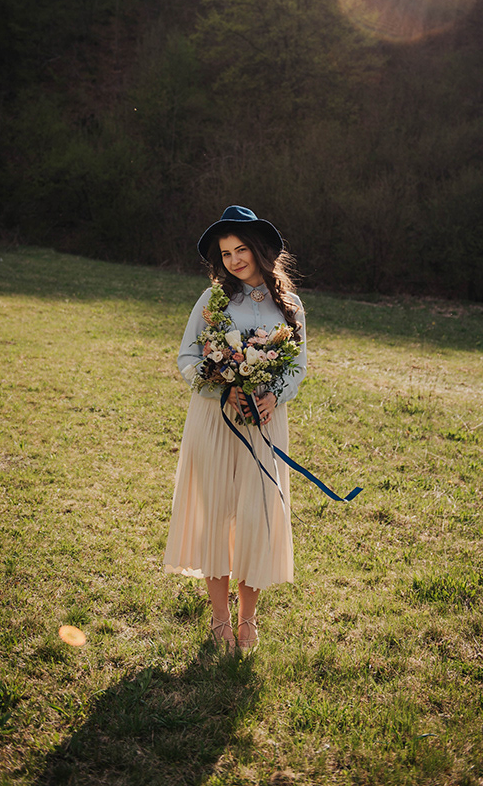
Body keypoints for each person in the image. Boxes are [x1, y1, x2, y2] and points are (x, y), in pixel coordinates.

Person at [164, 205, 307, 652]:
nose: (234, 260)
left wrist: (274, 395)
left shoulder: (290, 305)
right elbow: (187, 358)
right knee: (217, 514)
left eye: (241, 249)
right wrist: (222, 389)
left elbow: (299, 364)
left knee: (256, 517)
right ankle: (220, 620)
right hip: (215, 420)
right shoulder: (213, 301)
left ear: (260, 249)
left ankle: (249, 620)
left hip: (264, 425)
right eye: (226, 253)